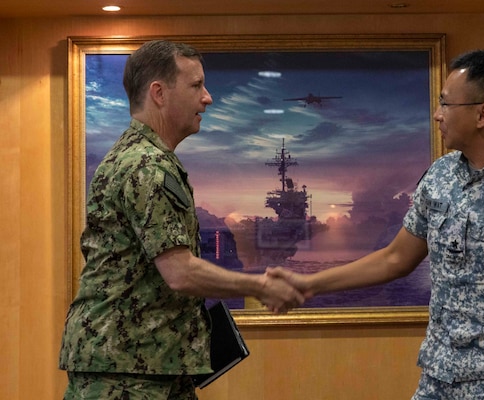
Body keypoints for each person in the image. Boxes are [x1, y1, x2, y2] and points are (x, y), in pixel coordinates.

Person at [268, 49, 484, 400]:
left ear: (483, 114)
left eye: (446, 104)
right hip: (439, 376)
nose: (437, 115)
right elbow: (394, 259)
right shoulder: (439, 176)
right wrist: (309, 284)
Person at [59, 40, 304, 400]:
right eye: (195, 86)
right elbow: (180, 272)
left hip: (148, 364)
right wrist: (261, 287)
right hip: (127, 373)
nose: (208, 97)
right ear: (158, 93)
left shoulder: (143, 158)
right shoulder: (146, 166)